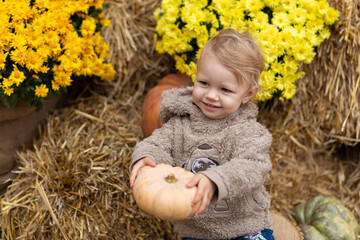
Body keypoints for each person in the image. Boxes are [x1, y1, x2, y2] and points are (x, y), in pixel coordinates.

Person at [129, 28, 275, 240]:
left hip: (244, 227)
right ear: (195, 77)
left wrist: (215, 180)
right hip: (196, 231)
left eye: (225, 90)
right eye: (204, 83)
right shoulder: (180, 124)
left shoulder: (248, 132)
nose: (211, 95)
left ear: (248, 94)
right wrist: (146, 158)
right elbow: (156, 144)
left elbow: (253, 166)